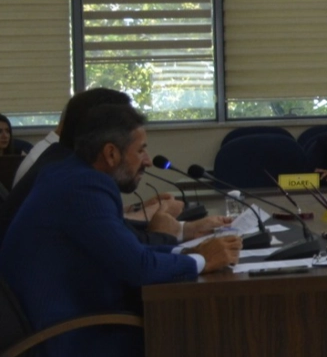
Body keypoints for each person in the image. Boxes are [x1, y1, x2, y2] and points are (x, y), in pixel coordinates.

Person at [0, 104, 239, 357]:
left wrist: (184, 254)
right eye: (141, 150)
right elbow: (138, 267)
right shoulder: (84, 187)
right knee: (205, 337)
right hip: (65, 353)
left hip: (54, 338)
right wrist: (203, 260)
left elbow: (125, 248)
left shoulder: (65, 173)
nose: (147, 160)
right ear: (111, 153)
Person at [0, 88, 227, 244]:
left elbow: (111, 233)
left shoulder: (61, 162)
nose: (148, 161)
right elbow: (131, 259)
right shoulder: (74, 179)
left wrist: (181, 230)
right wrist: (181, 242)